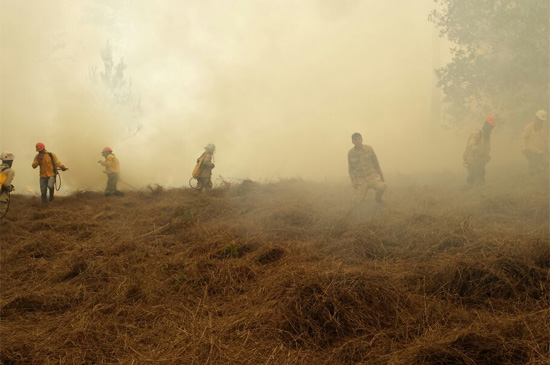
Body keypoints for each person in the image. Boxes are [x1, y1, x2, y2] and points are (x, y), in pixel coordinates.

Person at [348, 132, 386, 207]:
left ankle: (378, 200)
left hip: (372, 177)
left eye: (359, 139)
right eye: (356, 140)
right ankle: (355, 206)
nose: (358, 141)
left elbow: (376, 164)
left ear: (362, 139)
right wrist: (353, 180)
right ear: (352, 142)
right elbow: (351, 170)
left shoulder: (369, 149)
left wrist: (381, 176)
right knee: (357, 202)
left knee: (382, 186)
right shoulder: (351, 153)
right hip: (361, 180)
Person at [463, 114, 496, 187]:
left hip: (480, 161)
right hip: (472, 159)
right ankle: (470, 192)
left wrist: (487, 155)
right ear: (486, 125)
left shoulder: (487, 136)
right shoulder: (477, 133)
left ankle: (480, 192)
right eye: (490, 126)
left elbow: (487, 148)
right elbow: (471, 145)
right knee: (472, 177)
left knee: (482, 176)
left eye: (492, 127)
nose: (491, 128)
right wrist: (478, 151)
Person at [522, 110, 548, 175]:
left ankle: (539, 176)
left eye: (541, 120)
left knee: (545, 164)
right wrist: (524, 147)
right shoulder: (529, 127)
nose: (540, 121)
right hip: (530, 150)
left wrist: (547, 150)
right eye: (539, 119)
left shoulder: (544, 129)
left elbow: (545, 140)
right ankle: (533, 178)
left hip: (540, 151)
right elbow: (524, 137)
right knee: (533, 165)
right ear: (535, 118)